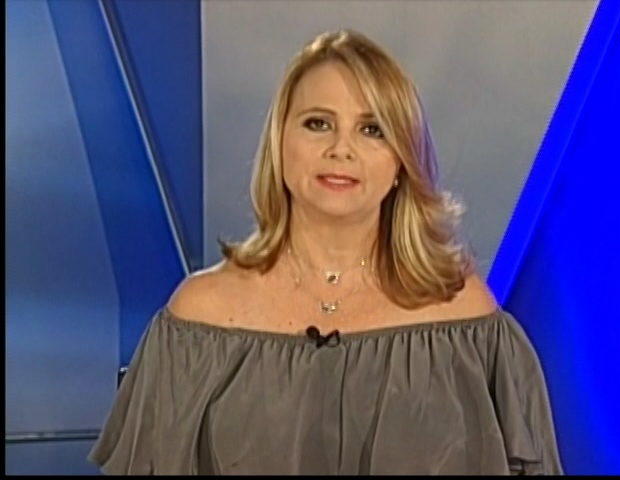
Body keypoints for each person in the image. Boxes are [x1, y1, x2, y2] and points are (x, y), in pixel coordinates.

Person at [88, 29, 563, 475]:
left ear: (401, 161)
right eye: (318, 124)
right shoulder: (198, 319)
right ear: (280, 143)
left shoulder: (466, 320)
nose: (341, 149)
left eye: (372, 129)